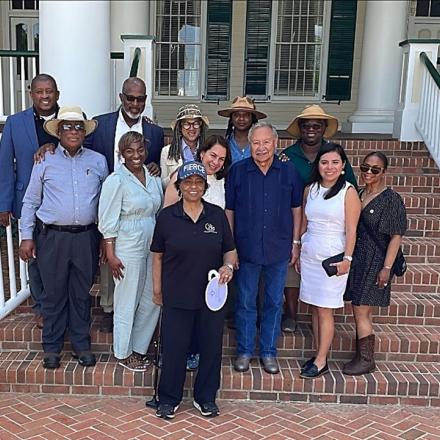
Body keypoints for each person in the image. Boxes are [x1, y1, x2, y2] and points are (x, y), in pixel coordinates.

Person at [35, 77, 165, 333]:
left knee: (135, 263)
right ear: (121, 97)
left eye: (140, 99)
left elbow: (154, 163)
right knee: (108, 259)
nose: (135, 103)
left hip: (137, 206)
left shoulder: (154, 132)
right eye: (130, 98)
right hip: (107, 203)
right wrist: (50, 144)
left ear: (146, 100)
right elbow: (77, 148)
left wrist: (154, 167)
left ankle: (133, 310)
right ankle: (109, 308)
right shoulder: (103, 124)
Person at [18, 106, 108, 369]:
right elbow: (31, 201)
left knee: (81, 293)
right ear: (58, 131)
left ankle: (81, 345)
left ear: (84, 132)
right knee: (53, 293)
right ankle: (52, 348)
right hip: (52, 238)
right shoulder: (44, 160)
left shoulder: (98, 161)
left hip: (86, 237)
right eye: (67, 126)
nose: (73, 131)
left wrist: (106, 237)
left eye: (78, 127)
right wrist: (26, 236)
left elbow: (105, 202)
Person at [151, 161, 236, 420]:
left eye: (199, 182)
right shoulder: (167, 217)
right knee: (175, 348)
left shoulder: (216, 215)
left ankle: (206, 398)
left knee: (211, 349)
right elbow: (157, 256)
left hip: (212, 297)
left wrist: (228, 267)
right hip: (177, 293)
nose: (193, 187)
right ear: (179, 186)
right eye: (188, 182)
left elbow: (229, 251)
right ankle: (168, 399)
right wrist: (157, 289)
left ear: (205, 186)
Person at [225, 121, 303, 375]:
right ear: (249, 144)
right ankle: (245, 351)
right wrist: (231, 246)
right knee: (246, 302)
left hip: (278, 248)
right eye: (255, 142)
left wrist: (295, 242)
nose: (261, 148)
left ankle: (269, 352)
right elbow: (230, 211)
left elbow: (296, 209)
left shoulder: (289, 172)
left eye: (265, 142)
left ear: (275, 143)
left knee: (273, 302)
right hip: (246, 249)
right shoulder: (237, 171)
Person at [280, 105, 358, 333]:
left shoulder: (332, 156)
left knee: (322, 304)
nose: (311, 129)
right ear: (300, 129)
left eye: (317, 125)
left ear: (324, 128)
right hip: (296, 220)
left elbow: (350, 189)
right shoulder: (287, 156)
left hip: (330, 228)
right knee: (291, 275)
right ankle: (291, 314)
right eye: (306, 125)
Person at [98, 131, 162, 371]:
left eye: (139, 150)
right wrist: (111, 253)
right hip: (128, 242)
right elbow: (107, 220)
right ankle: (123, 352)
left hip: (152, 239)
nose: (136, 155)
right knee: (127, 298)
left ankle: (139, 347)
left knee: (152, 296)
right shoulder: (116, 180)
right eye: (129, 151)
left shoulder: (153, 176)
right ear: (121, 154)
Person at [0, 73, 60, 329]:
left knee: (58, 257)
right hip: (28, 201)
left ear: (57, 94)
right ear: (31, 93)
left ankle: (60, 303)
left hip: (61, 203)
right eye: (39, 91)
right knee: (33, 257)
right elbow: (4, 165)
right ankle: (41, 306)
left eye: (49, 91)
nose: (45, 96)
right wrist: (4, 204)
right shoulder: (15, 123)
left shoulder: (69, 120)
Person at [298, 142, 361, 379]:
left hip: (333, 257)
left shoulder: (349, 192)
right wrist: (299, 248)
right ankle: (318, 354)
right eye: (324, 162)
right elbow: (305, 222)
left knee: (325, 310)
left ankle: (322, 360)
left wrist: (348, 259)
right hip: (311, 254)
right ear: (318, 165)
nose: (329, 167)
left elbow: (352, 230)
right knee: (315, 308)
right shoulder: (310, 189)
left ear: (343, 165)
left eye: (335, 162)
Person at [343, 152, 407, 375]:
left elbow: (396, 236)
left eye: (375, 169)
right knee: (360, 308)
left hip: (376, 261)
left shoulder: (390, 199)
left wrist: (387, 268)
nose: (368, 173)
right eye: (365, 167)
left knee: (360, 309)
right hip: (358, 259)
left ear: (384, 172)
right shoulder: (359, 193)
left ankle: (367, 358)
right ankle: (362, 354)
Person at [164, 135, 231, 209]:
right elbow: (167, 214)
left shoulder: (222, 180)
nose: (216, 162)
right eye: (213, 155)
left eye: (221, 159)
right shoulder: (182, 174)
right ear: (202, 153)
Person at [160, 104, 209, 188]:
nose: (191, 128)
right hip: (177, 198)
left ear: (201, 127)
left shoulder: (208, 150)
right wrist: (174, 176)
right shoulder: (167, 151)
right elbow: (163, 185)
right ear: (180, 127)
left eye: (196, 123)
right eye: (186, 124)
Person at [218, 96, 266, 163]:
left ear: (252, 118)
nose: (241, 119)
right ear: (231, 118)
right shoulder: (224, 143)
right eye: (236, 115)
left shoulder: (263, 144)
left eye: (246, 115)